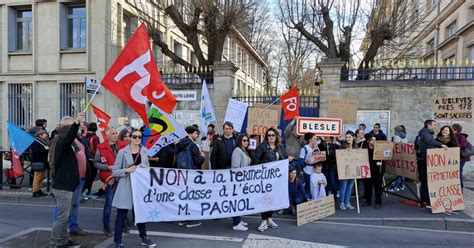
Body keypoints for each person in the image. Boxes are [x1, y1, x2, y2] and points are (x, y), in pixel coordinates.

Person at [112, 129, 156, 248]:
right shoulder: (122, 152)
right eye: (135, 136)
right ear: (130, 138)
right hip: (126, 186)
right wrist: (127, 170)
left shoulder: (144, 151)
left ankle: (144, 238)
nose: (137, 139)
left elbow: (148, 169)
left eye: (139, 137)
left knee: (141, 214)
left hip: (139, 188)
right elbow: (115, 171)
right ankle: (118, 241)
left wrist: (144, 167)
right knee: (121, 215)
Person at [49, 112, 84, 248]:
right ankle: (54, 243)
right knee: (62, 218)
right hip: (63, 188)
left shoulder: (67, 145)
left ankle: (63, 241)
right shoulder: (62, 143)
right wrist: (76, 123)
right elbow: (70, 137)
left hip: (69, 186)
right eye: (72, 132)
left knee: (65, 217)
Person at [253, 127, 293, 232]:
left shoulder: (280, 147)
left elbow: (284, 159)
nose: (271, 137)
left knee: (272, 199)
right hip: (264, 178)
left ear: (276, 136)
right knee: (265, 199)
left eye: (273, 135)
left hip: (277, 179)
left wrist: (288, 160)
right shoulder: (262, 147)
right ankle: (264, 220)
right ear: (267, 137)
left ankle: (270, 219)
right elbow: (255, 161)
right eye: (269, 135)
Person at [94, 127, 128, 236]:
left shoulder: (123, 145)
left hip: (122, 178)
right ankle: (106, 227)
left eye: (116, 133)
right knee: (108, 204)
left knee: (122, 203)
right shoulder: (101, 147)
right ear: (107, 135)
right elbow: (96, 163)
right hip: (110, 179)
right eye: (113, 133)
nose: (115, 135)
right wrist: (107, 167)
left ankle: (122, 224)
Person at [176, 126, 205, 228]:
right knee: (191, 196)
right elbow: (197, 161)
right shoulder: (192, 145)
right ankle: (190, 220)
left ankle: (183, 219)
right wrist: (202, 157)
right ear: (190, 134)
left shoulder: (180, 144)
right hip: (192, 174)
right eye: (196, 134)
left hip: (182, 174)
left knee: (184, 196)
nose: (197, 136)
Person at [416, 120, 448, 207]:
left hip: (425, 159)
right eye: (434, 125)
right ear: (428, 125)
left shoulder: (425, 132)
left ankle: (425, 200)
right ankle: (425, 200)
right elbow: (430, 141)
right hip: (425, 159)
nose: (435, 126)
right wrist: (441, 145)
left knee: (425, 181)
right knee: (425, 181)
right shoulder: (425, 133)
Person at [230, 134, 251, 231]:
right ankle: (236, 223)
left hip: (244, 181)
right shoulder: (237, 151)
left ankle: (239, 219)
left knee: (240, 201)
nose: (246, 142)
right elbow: (235, 167)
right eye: (244, 140)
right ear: (239, 141)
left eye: (247, 140)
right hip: (238, 181)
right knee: (237, 201)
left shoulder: (244, 151)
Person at [362, 136, 384, 209]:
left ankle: (378, 202)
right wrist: (375, 163)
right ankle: (368, 201)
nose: (374, 141)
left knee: (377, 187)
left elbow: (384, 158)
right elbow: (364, 160)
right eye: (372, 140)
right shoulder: (365, 149)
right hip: (368, 170)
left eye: (375, 140)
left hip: (378, 171)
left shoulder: (379, 149)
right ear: (368, 141)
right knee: (367, 186)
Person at [339, 131, 357, 211]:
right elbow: (339, 158)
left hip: (353, 169)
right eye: (346, 137)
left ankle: (347, 202)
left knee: (350, 187)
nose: (348, 139)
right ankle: (342, 203)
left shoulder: (356, 146)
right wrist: (344, 152)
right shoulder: (342, 146)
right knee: (343, 187)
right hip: (344, 169)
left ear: (353, 137)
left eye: (350, 137)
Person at [82, 123, 100, 198]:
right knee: (91, 176)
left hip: (84, 158)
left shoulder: (83, 136)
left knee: (86, 176)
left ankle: (83, 191)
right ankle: (87, 192)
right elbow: (97, 149)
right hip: (92, 159)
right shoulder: (95, 137)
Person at [300, 133, 320, 197]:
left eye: (316, 139)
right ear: (310, 140)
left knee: (315, 186)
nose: (316, 140)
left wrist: (316, 150)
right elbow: (300, 161)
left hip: (315, 170)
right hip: (307, 170)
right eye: (314, 138)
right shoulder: (304, 149)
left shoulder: (317, 148)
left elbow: (319, 159)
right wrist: (307, 161)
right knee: (308, 187)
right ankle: (307, 202)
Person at [389, 125, 408, 192]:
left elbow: (396, 147)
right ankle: (402, 185)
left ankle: (396, 186)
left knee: (397, 171)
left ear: (397, 131)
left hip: (398, 155)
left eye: (394, 130)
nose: (394, 131)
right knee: (402, 171)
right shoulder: (405, 136)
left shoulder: (397, 137)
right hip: (404, 155)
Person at [31, 130, 50, 197]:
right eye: (44, 134)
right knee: (37, 176)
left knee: (41, 177)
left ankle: (39, 190)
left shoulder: (43, 141)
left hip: (43, 162)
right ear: (40, 135)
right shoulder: (35, 142)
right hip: (38, 161)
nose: (46, 135)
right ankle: (35, 191)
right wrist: (44, 149)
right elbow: (36, 152)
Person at [452, 124, 471, 190]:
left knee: (459, 173)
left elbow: (463, 145)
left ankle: (460, 188)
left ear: (456, 130)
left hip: (461, 158)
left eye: (452, 129)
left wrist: (454, 147)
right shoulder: (454, 136)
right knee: (457, 172)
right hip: (457, 157)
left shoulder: (461, 136)